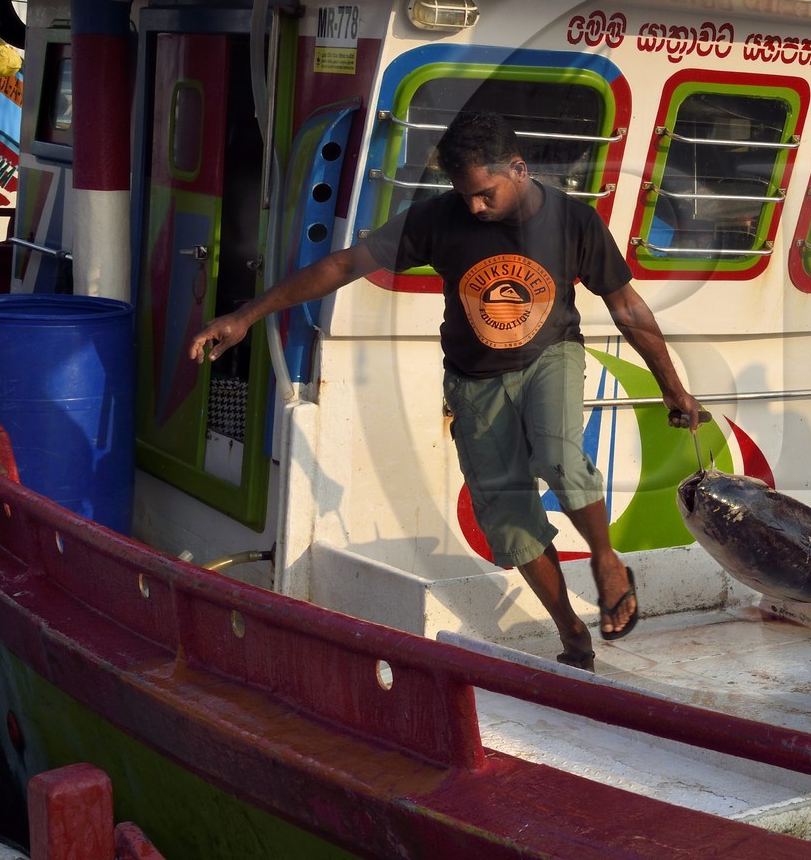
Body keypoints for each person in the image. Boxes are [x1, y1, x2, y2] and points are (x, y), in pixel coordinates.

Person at [187, 112, 702, 672]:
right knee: (506, 519)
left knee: (558, 457)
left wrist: (673, 389)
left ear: (519, 169)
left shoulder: (573, 221)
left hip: (549, 357)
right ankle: (572, 633)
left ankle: (606, 562)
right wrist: (245, 315)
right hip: (473, 379)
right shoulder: (439, 218)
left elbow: (625, 306)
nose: (475, 207)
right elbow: (343, 264)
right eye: (465, 196)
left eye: (485, 194)